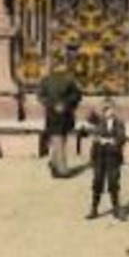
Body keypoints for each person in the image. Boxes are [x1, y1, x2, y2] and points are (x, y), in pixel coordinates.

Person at [36, 50, 83, 178]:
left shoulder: (49, 79)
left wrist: (54, 105)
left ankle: (54, 163)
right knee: (59, 139)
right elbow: (77, 95)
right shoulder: (64, 79)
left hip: (56, 115)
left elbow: (40, 97)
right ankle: (62, 170)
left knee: (58, 139)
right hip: (61, 115)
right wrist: (65, 104)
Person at [78, 99, 127, 221]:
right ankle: (94, 209)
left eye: (110, 109)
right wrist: (88, 121)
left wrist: (110, 141)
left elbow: (121, 139)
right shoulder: (98, 122)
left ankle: (116, 209)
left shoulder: (119, 123)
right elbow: (85, 131)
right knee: (97, 182)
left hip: (113, 157)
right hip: (99, 156)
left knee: (113, 183)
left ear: (114, 110)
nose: (108, 112)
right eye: (105, 109)